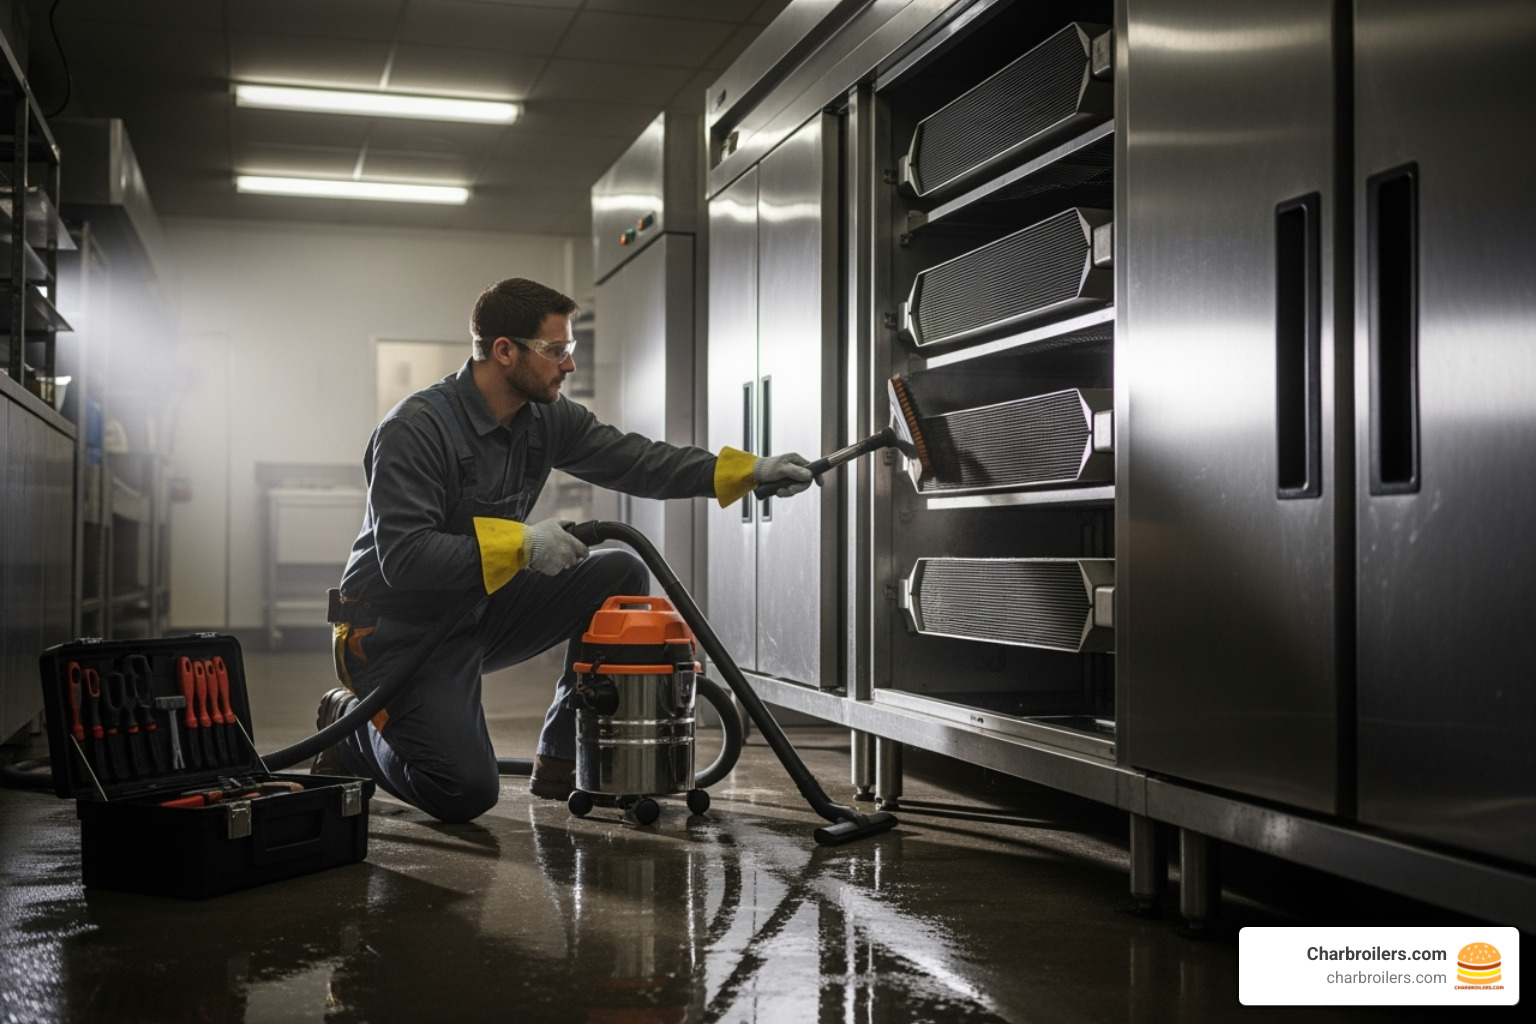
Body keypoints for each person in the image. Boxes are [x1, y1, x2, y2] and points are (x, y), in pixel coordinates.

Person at [315, 277, 814, 823]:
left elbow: (637, 460)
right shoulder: (416, 429)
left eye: (568, 349)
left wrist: (746, 472)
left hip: (480, 608)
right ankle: (352, 728)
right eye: (556, 351)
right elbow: (407, 559)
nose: (569, 365)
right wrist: (525, 545)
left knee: (618, 571)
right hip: (396, 631)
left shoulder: (545, 419)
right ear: (504, 351)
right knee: (463, 791)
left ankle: (561, 758)